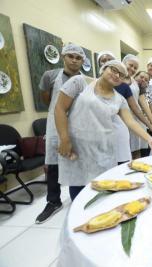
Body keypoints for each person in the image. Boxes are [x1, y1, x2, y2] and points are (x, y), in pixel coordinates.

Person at [55, 60, 152, 201]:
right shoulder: (80, 82)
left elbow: (130, 121)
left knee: (102, 187)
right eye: (114, 70)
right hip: (78, 145)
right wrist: (64, 138)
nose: (117, 75)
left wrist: (149, 139)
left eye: (122, 75)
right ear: (104, 68)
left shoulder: (119, 99)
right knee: (79, 184)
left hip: (104, 147)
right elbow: (60, 109)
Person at [35, 43, 85, 224]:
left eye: (78, 57)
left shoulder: (85, 80)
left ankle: (80, 197)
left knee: (77, 160)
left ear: (82, 61)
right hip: (54, 123)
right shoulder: (50, 76)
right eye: (71, 56)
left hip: (78, 123)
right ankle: (53, 201)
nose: (74, 60)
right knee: (54, 162)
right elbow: (47, 98)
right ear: (64, 56)